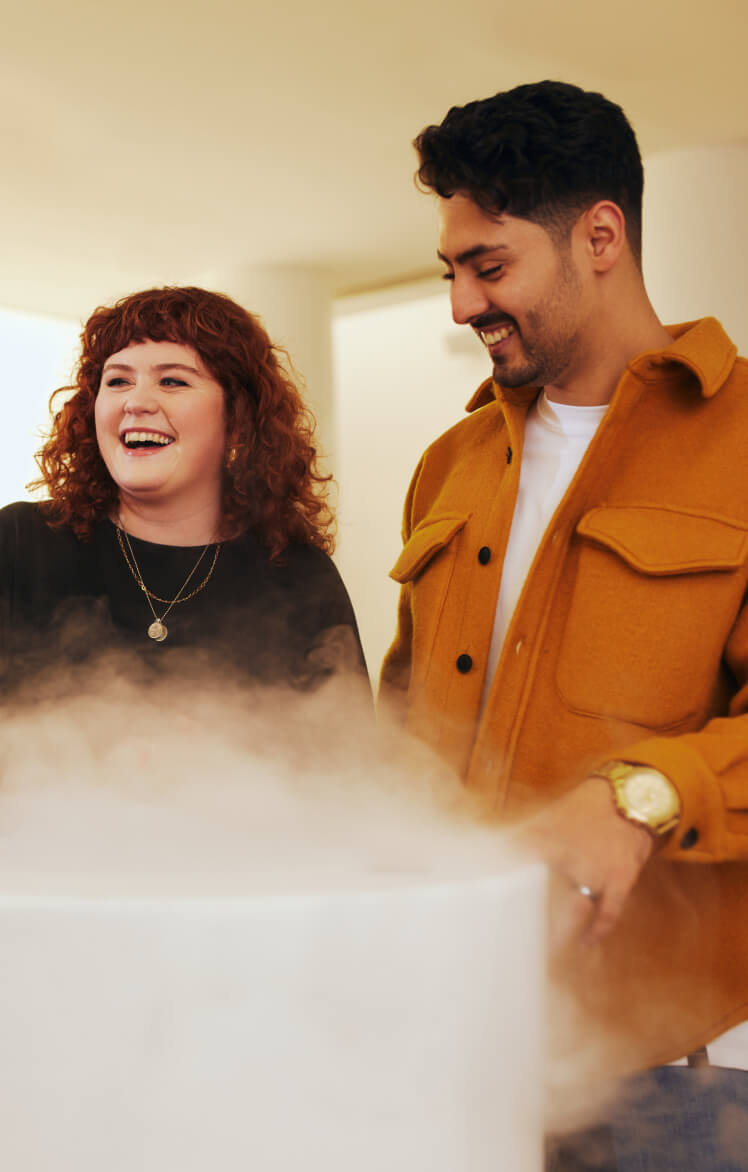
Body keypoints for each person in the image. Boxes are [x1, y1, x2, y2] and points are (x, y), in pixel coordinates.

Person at [381, 80, 748, 1168]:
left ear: (599, 237)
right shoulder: (446, 467)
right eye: (449, 270)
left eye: (487, 265)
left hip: (658, 1084)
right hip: (439, 1039)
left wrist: (639, 794)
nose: (457, 304)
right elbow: (398, 731)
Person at [0, 286, 367, 767]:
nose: (136, 402)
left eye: (173, 382)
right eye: (118, 381)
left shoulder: (299, 578)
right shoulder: (17, 545)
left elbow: (349, 781)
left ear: (238, 422)